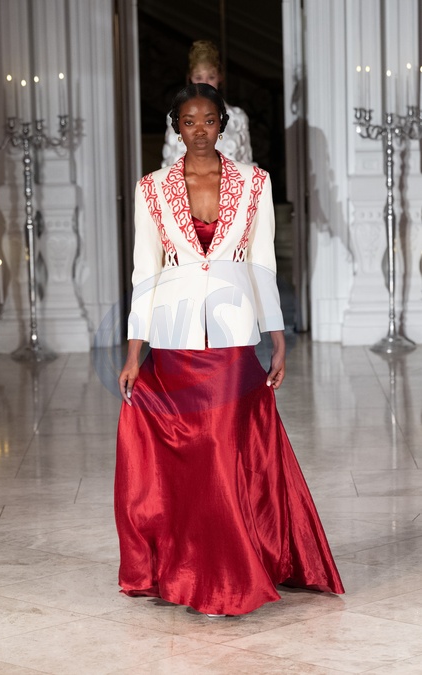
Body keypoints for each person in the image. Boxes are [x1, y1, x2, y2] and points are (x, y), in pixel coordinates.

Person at [115, 83, 344, 617]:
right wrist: (133, 351)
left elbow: (262, 261)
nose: (200, 130)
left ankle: (225, 577)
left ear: (223, 124)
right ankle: (188, 568)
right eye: (189, 121)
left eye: (209, 120)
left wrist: (277, 334)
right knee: (191, 458)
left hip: (233, 335)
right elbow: (145, 271)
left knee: (222, 449)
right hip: (173, 338)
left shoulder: (255, 182)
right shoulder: (151, 189)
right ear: (176, 128)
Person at [161, 39, 254, 167]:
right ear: (190, 78)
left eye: (211, 77)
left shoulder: (237, 119)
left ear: (220, 77)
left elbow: (247, 167)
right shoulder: (176, 118)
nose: (205, 84)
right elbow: (170, 167)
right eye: (198, 78)